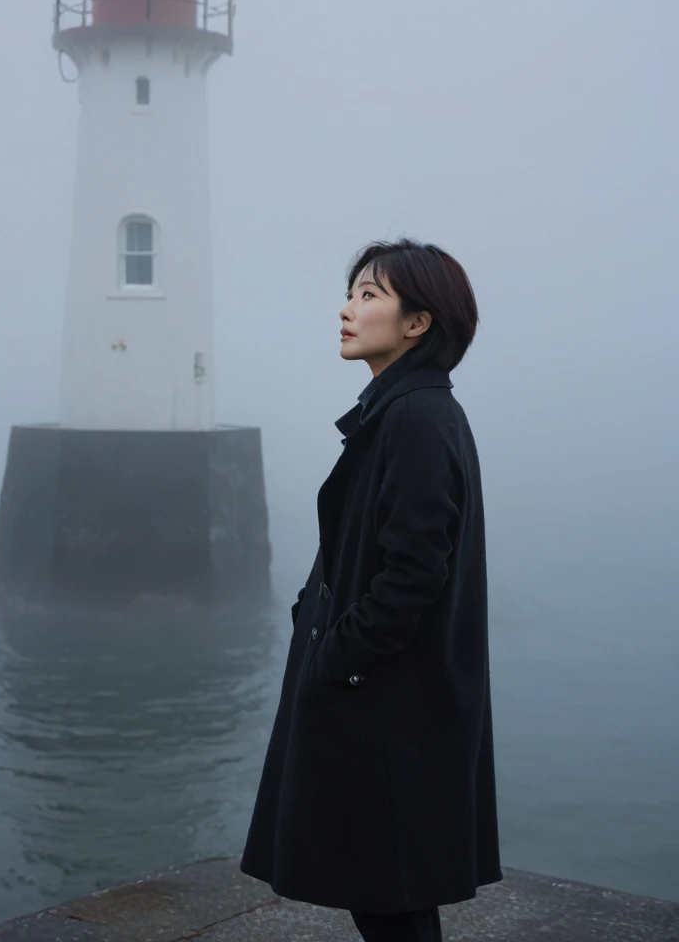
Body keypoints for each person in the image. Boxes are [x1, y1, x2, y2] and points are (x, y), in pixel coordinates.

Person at [239, 237, 503, 941]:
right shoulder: (402, 409)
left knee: (389, 892)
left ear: (417, 323)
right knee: (388, 888)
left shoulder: (417, 417)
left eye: (368, 295)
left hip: (385, 697)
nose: (346, 310)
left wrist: (336, 659)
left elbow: (415, 571)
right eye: (353, 292)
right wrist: (312, 618)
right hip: (381, 690)